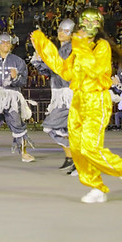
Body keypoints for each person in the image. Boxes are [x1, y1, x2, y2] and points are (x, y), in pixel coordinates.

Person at [31, 8, 122, 204]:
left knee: (90, 147)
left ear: (98, 26)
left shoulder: (102, 46)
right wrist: (43, 46)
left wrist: (80, 44)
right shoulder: (78, 46)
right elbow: (65, 72)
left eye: (91, 24)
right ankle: (96, 187)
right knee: (76, 148)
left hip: (96, 100)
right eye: (83, 24)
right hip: (78, 100)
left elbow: (94, 70)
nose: (86, 28)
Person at [0, 34, 35, 163]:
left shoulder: (18, 61)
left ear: (11, 44)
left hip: (11, 97)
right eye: (2, 42)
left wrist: (15, 78)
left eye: (8, 42)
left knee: (17, 123)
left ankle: (24, 153)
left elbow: (23, 81)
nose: (5, 44)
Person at [30, 19, 76, 174]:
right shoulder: (61, 50)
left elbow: (59, 69)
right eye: (60, 30)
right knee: (64, 128)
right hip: (59, 93)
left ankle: (77, 157)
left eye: (66, 30)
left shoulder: (72, 49)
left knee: (51, 126)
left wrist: (42, 51)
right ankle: (71, 157)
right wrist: (38, 54)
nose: (61, 33)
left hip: (68, 94)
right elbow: (48, 71)